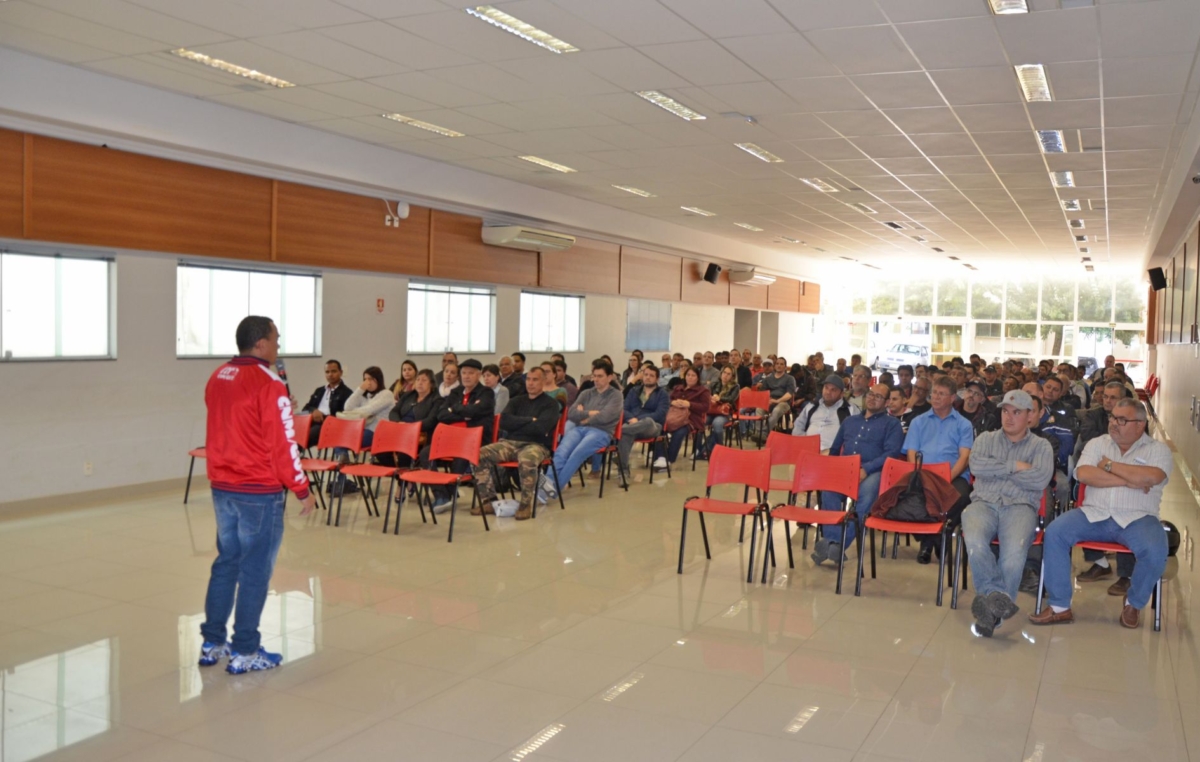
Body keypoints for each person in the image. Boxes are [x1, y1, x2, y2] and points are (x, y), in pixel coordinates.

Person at [200, 316, 315, 674]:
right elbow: (283, 443)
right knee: (254, 571)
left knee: (226, 562)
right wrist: (301, 487)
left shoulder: (218, 375)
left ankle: (212, 642)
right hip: (258, 491)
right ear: (262, 344)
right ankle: (246, 649)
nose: (278, 347)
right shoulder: (269, 381)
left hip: (223, 485)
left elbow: (235, 421)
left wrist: (279, 404)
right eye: (276, 340)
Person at [1030, 399, 1172, 629]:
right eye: (1113, 418)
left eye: (1122, 420)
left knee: (1156, 550)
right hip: (1093, 514)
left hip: (1138, 518)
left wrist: (1107, 465)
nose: (1114, 423)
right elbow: (1085, 474)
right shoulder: (1097, 443)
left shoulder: (1158, 450)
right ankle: (1059, 607)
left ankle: (1133, 603)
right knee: (1055, 532)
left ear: (1140, 424)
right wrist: (1131, 480)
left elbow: (1152, 477)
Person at [960, 390, 1054, 637]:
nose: (1009, 417)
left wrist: (997, 470)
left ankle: (991, 613)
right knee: (976, 545)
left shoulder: (1041, 446)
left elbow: (1040, 478)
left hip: (1020, 507)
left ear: (1030, 416)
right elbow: (977, 466)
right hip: (983, 503)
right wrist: (1015, 467)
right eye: (1005, 411)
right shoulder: (985, 439)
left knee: (1013, 554)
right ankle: (996, 600)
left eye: (1016, 412)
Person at [812, 383, 903, 565]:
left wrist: (866, 469)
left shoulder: (892, 424)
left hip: (874, 472)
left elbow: (891, 454)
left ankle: (836, 544)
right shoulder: (850, 421)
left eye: (878, 396)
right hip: (846, 468)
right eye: (870, 394)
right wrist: (835, 468)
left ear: (886, 403)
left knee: (866, 499)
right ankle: (833, 543)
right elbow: (836, 449)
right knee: (828, 491)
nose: (872, 398)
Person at [472, 366, 561, 520]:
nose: (531, 383)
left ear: (544, 381)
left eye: (535, 380)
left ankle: (525, 505)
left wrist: (519, 423)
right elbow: (504, 422)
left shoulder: (551, 404)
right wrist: (529, 420)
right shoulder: (516, 401)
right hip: (510, 443)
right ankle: (489, 501)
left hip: (536, 445)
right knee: (478, 455)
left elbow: (541, 428)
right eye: (528, 379)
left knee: (527, 460)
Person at [903, 376, 975, 564]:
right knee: (917, 496)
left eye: (941, 394)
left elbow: (964, 458)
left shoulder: (963, 424)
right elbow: (911, 453)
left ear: (952, 398)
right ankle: (937, 538)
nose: (935, 397)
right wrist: (918, 474)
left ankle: (929, 541)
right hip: (923, 473)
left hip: (953, 475)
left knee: (960, 496)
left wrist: (947, 478)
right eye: (934, 392)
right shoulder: (918, 421)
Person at [426, 359, 495, 513]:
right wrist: (464, 413)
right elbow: (442, 415)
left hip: (473, 441)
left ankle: (449, 494)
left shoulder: (486, 393)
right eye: (463, 373)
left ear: (479, 375)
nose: (466, 376)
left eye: (471, 373)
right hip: (451, 438)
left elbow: (476, 411)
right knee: (425, 453)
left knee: (461, 454)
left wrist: (455, 409)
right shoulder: (455, 392)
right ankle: (441, 494)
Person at [551, 360, 623, 492]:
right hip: (580, 429)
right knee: (561, 451)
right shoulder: (586, 393)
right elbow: (572, 413)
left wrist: (583, 417)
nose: (595, 379)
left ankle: (553, 488)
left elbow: (605, 416)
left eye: (600, 376)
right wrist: (590, 413)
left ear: (610, 377)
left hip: (601, 432)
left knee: (577, 453)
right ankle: (549, 483)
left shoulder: (616, 395)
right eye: (594, 375)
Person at [332, 367, 394, 490]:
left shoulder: (386, 394)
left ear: (378, 379)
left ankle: (344, 472)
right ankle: (343, 479)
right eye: (365, 379)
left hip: (377, 433)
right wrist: (360, 389)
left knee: (344, 441)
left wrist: (354, 412)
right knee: (338, 441)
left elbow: (369, 410)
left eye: (370, 379)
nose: (368, 382)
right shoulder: (365, 396)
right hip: (362, 431)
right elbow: (347, 407)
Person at [617, 364, 670, 477]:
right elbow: (624, 408)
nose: (647, 377)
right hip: (632, 426)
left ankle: (618, 432)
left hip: (653, 426)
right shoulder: (634, 391)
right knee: (626, 435)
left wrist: (638, 419)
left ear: (657, 379)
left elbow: (660, 413)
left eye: (651, 375)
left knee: (647, 421)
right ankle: (624, 472)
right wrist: (631, 418)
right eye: (645, 374)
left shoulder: (663, 394)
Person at [655, 366, 711, 470]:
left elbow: (706, 407)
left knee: (679, 432)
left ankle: (669, 460)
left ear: (698, 378)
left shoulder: (703, 391)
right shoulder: (678, 388)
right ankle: (661, 457)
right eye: (688, 375)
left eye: (693, 375)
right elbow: (668, 399)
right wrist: (673, 402)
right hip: (673, 416)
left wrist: (689, 404)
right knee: (658, 427)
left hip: (691, 419)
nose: (690, 377)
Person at [386, 369, 440, 465]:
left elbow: (430, 421)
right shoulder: (408, 395)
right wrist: (398, 422)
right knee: (382, 449)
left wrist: (410, 426)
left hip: (420, 435)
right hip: (400, 431)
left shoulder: (436, 399)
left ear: (431, 384)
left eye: (424, 380)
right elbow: (393, 412)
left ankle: (403, 477)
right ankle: (398, 474)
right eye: (418, 379)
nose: (420, 382)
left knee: (404, 453)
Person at [792, 374, 859, 452]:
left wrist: (838, 450)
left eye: (833, 390)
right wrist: (804, 443)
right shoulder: (812, 406)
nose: (828, 392)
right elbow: (798, 426)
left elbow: (857, 434)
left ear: (842, 394)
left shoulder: (850, 409)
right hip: (807, 451)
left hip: (833, 454)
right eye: (826, 388)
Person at [301, 359, 352, 447]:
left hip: (329, 426)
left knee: (304, 436)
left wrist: (323, 417)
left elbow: (344, 416)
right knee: (290, 432)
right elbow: (306, 407)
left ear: (341, 372)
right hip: (311, 421)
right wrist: (314, 411)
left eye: (333, 371)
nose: (330, 375)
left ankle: (292, 457)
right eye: (327, 372)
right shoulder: (319, 390)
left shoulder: (347, 393)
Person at [706, 365, 741, 457]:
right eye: (724, 373)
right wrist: (711, 398)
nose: (725, 375)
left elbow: (731, 399)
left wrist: (719, 398)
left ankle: (720, 450)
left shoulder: (735, 386)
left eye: (728, 374)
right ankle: (698, 450)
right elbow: (707, 396)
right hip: (712, 410)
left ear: (732, 376)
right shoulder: (714, 384)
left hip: (726, 413)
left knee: (717, 423)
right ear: (721, 373)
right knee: (699, 422)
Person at [757, 359, 798, 436]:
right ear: (774, 366)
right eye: (777, 364)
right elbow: (763, 393)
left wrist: (777, 401)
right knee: (759, 409)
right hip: (770, 401)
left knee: (776, 411)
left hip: (783, 402)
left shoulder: (790, 378)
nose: (779, 365)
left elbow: (789, 394)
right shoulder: (768, 379)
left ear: (785, 367)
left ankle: (765, 433)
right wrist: (768, 400)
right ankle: (759, 433)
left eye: (781, 364)